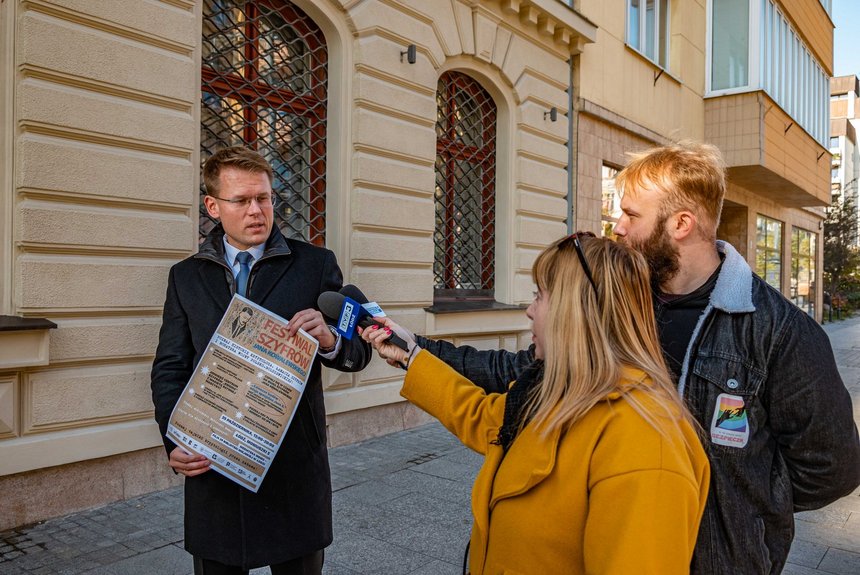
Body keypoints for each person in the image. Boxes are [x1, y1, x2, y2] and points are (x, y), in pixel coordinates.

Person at [405, 142, 860, 573]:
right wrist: (413, 351)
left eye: (630, 214)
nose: (617, 226)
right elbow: (529, 374)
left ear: (680, 224)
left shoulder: (778, 330)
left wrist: (741, 505)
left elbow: (832, 469)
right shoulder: (618, 302)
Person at [362, 235, 710, 574]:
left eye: (539, 296)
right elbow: (485, 418)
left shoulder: (646, 445)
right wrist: (411, 355)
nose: (530, 311)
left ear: (575, 310)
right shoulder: (557, 391)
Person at [150, 146, 371, 575]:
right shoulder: (186, 276)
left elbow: (358, 352)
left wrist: (329, 340)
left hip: (292, 473)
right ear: (213, 207)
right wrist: (174, 439)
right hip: (215, 469)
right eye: (241, 200)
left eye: (264, 198)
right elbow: (170, 367)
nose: (257, 210)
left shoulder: (315, 265)